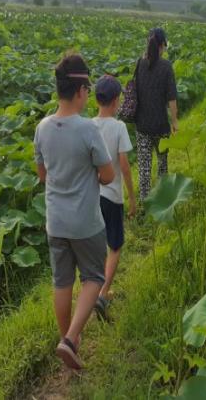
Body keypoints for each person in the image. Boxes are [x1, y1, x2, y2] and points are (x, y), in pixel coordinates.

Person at [33, 53, 114, 370]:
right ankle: (70, 339)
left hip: (56, 222)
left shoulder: (42, 128)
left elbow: (43, 174)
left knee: (61, 282)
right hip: (85, 222)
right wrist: (89, 176)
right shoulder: (87, 129)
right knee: (94, 277)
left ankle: (69, 341)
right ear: (81, 91)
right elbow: (107, 175)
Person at [92, 75, 136, 318]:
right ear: (116, 100)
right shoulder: (118, 127)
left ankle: (97, 289)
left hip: (92, 196)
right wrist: (131, 197)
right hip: (112, 196)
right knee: (115, 247)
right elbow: (124, 166)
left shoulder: (88, 125)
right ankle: (102, 294)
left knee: (98, 246)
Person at [134, 27, 178, 201]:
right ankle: (162, 198)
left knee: (144, 168)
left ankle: (145, 202)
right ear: (162, 45)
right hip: (160, 125)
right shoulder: (166, 66)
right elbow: (172, 98)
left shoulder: (140, 63)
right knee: (162, 164)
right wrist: (175, 122)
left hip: (142, 124)